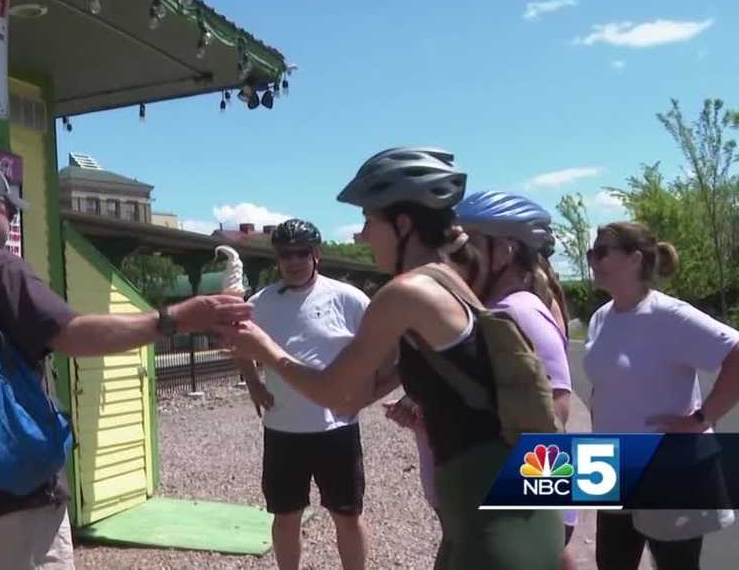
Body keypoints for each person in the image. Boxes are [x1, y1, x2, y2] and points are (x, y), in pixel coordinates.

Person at [0, 160, 250, 570]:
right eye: (11, 210)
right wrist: (173, 318)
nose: (11, 220)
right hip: (16, 504)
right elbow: (74, 336)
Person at [223, 147, 563, 569]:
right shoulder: (449, 281)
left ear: (403, 224)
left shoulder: (406, 293)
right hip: (495, 504)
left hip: (491, 515)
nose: (363, 236)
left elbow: (334, 395)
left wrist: (266, 351)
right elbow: (364, 395)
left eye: (369, 221)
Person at [386, 190, 578, 568]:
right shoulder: (495, 310)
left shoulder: (517, 313)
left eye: (468, 243)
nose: (454, 256)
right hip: (485, 511)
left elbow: (553, 417)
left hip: (507, 515)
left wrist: (502, 517)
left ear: (504, 251)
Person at [584, 221, 739, 570]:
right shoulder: (600, 318)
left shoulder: (670, 316)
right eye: (592, 252)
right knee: (612, 563)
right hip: (610, 464)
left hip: (668, 465)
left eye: (602, 251)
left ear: (634, 259)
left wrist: (702, 418)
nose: (593, 260)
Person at [235, 218, 371, 570]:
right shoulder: (261, 302)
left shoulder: (349, 298)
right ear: (277, 259)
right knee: (285, 516)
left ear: (316, 254)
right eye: (285, 254)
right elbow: (239, 342)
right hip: (283, 429)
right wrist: (253, 383)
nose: (293, 261)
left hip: (336, 428)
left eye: (301, 253)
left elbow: (379, 346)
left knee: (347, 515)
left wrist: (366, 389)